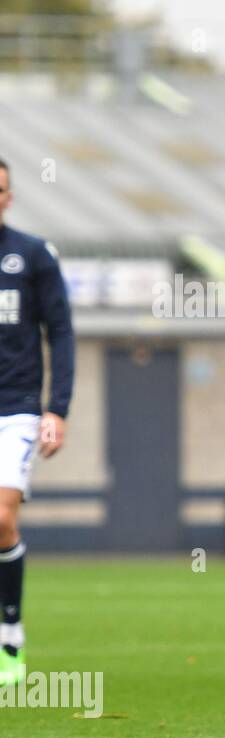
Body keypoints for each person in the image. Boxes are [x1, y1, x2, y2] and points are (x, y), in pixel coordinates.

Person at [0, 156, 75, 685]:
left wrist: (58, 409)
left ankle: (10, 633)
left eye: (2, 190)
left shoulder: (31, 255)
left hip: (17, 408)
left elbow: (62, 331)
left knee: (1, 518)